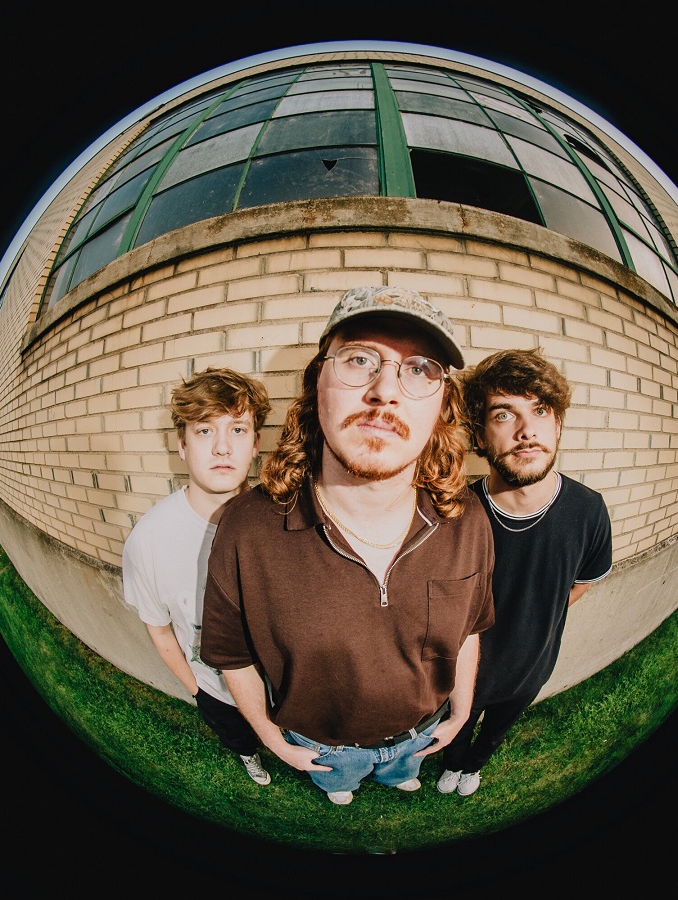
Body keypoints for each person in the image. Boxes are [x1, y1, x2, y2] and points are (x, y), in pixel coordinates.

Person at [200, 286, 495, 805]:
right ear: (317, 383)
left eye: (420, 370)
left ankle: (398, 774)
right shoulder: (246, 529)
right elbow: (232, 655)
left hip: (420, 733)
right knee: (339, 787)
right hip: (322, 747)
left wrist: (463, 708)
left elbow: (471, 625)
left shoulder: (466, 519)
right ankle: (341, 787)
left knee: (402, 775)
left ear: (441, 406)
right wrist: (272, 739)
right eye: (359, 360)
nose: (386, 391)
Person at [436, 348, 613, 797]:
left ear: (558, 425)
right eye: (504, 414)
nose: (527, 430)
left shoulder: (588, 510)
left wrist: (536, 617)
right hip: (462, 675)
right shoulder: (454, 513)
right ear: (479, 435)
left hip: (532, 668)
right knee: (456, 728)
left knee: (496, 731)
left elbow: (581, 583)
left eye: (541, 410)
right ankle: (453, 765)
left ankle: (475, 767)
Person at [122, 366, 273, 785]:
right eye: (205, 431)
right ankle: (250, 757)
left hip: (282, 687)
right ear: (182, 444)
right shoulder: (148, 541)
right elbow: (160, 630)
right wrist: (197, 690)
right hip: (215, 689)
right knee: (239, 737)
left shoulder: (283, 520)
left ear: (256, 444)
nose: (222, 447)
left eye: (238, 430)